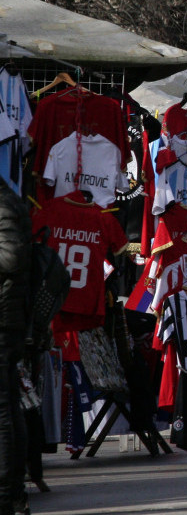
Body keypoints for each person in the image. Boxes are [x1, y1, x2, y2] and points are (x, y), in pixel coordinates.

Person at [0, 180, 28, 515]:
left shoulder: (4, 204)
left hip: (5, 319)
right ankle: (13, 490)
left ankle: (7, 493)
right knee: (9, 406)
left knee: (4, 409)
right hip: (9, 316)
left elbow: (12, 257)